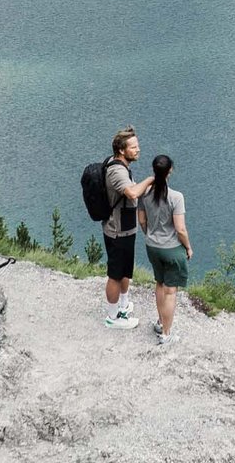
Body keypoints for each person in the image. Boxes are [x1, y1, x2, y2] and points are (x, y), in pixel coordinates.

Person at [102, 127, 154, 329]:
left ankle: (123, 305)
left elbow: (133, 190)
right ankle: (112, 318)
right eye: (133, 147)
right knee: (115, 274)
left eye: (137, 145)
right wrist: (150, 179)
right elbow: (132, 193)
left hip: (126, 226)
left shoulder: (121, 165)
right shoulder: (116, 170)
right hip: (117, 229)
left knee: (125, 269)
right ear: (122, 150)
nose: (138, 149)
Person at [137, 153, 191, 346]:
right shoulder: (176, 197)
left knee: (159, 284)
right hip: (171, 248)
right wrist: (188, 247)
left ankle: (160, 323)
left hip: (152, 246)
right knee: (170, 291)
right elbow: (180, 229)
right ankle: (166, 335)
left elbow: (142, 220)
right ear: (170, 171)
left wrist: (149, 234)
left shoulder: (145, 194)